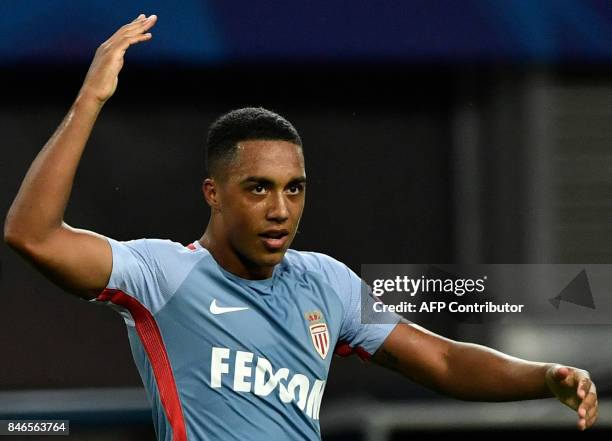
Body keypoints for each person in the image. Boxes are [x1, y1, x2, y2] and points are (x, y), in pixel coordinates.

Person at [3, 14, 598, 441]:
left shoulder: (325, 284)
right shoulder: (163, 276)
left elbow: (440, 362)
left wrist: (542, 378)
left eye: (295, 189)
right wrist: (91, 100)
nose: (281, 209)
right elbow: (32, 234)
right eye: (258, 189)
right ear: (214, 194)